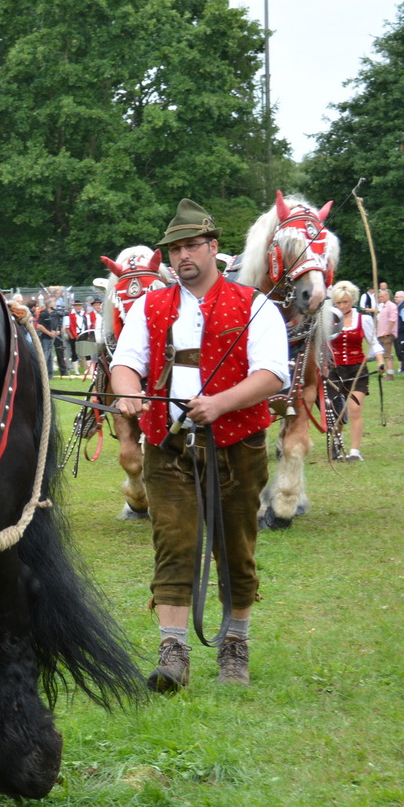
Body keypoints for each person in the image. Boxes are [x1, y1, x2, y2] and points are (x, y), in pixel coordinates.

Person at [109, 200, 289, 690]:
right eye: (175, 249)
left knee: (236, 548)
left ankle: (235, 646)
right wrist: (126, 392)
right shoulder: (150, 305)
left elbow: (273, 374)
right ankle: (174, 653)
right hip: (168, 447)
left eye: (192, 245)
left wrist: (222, 403)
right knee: (174, 543)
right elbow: (126, 362)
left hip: (237, 445)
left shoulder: (256, 306)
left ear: (213, 248)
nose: (183, 255)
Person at [326, 282, 380, 460]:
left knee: (355, 409)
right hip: (335, 371)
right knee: (337, 412)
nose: (342, 306)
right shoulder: (329, 319)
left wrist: (380, 362)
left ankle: (355, 451)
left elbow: (374, 343)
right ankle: (336, 442)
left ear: (352, 301)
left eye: (345, 302)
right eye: (339, 303)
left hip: (357, 370)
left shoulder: (363, 319)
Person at [374, 289, 398, 375]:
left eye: (382, 296)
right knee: (383, 354)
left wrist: (388, 331)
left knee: (388, 354)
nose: (380, 298)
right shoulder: (382, 306)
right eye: (379, 297)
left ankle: (390, 374)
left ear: (387, 296)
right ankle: (385, 371)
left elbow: (393, 319)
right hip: (381, 333)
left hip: (387, 334)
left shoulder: (391, 306)